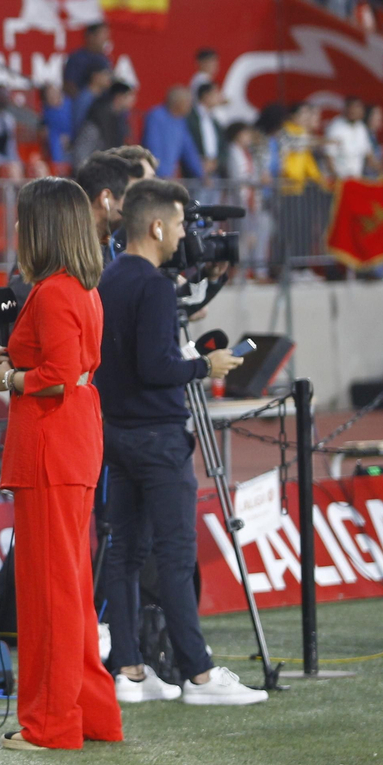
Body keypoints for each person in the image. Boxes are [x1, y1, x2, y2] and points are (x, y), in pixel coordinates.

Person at [95, 179, 267, 707]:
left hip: (117, 434)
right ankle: (198, 674)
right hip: (157, 436)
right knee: (174, 553)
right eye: (176, 224)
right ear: (155, 226)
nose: (180, 235)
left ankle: (129, 670)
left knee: (123, 552)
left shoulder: (107, 278)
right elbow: (157, 367)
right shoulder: (151, 286)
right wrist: (206, 365)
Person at [0, 176, 121, 751]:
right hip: (71, 442)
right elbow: (68, 369)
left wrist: (8, 377)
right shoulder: (80, 288)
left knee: (49, 595)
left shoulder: (55, 290)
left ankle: (52, 724)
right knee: (72, 588)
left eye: (22, 220)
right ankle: (90, 713)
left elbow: (56, 376)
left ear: (41, 228)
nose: (16, 231)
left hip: (50, 447)